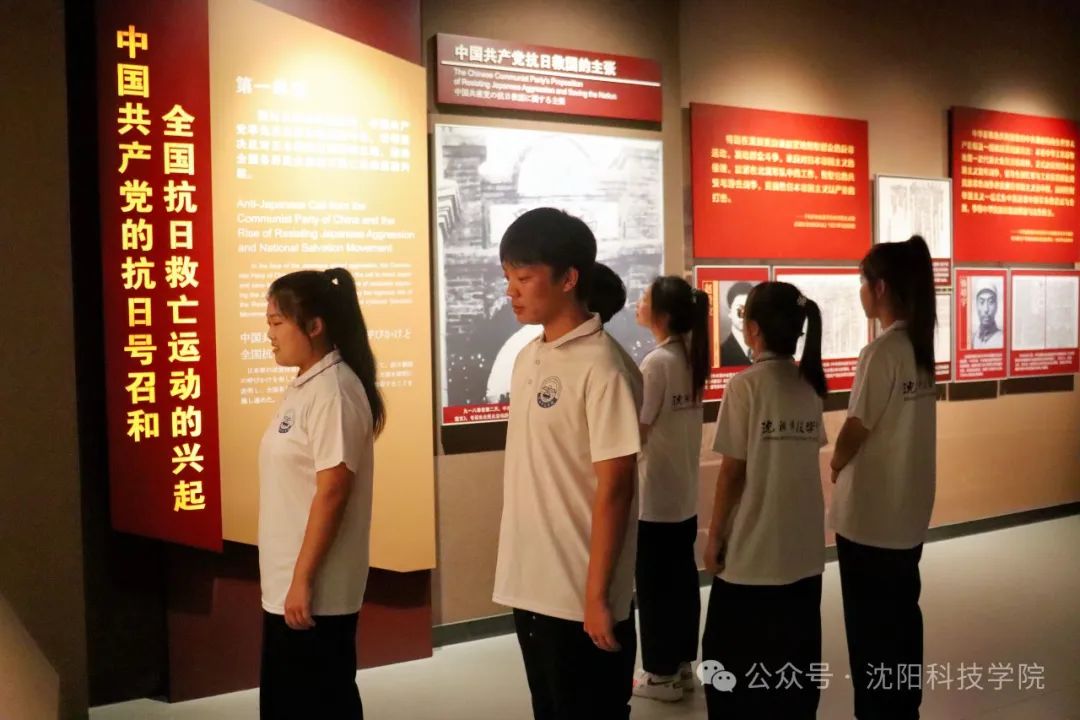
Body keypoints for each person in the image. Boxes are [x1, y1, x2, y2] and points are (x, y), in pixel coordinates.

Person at [492, 208, 642, 720]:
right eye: (508, 277)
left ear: (569, 278)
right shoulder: (527, 357)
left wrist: (597, 597)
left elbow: (616, 487)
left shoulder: (604, 366)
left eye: (524, 277)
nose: (511, 291)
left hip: (580, 593)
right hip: (531, 582)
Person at [258, 268, 385, 720]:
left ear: (314, 326)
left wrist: (303, 579)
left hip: (316, 592)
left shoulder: (334, 391)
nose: (269, 334)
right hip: (290, 586)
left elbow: (333, 491)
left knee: (319, 704)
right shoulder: (307, 385)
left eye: (277, 322)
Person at [702, 281, 828, 719]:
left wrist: (714, 537)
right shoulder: (808, 385)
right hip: (803, 554)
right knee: (793, 672)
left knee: (731, 673)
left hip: (752, 556)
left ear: (752, 329)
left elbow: (732, 473)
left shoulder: (746, 387)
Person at [829, 235, 938, 720]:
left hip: (870, 521)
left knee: (870, 630)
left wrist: (835, 463)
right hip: (906, 513)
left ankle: (878, 711)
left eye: (862, 282)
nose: (860, 292)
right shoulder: (919, 347)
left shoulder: (882, 352)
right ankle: (903, 707)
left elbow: (856, 427)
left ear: (880, 287)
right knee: (902, 619)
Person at [630, 276, 709, 703]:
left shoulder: (656, 363)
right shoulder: (687, 359)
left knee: (656, 587)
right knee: (680, 585)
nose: (638, 302)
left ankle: (660, 674)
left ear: (660, 313)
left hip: (655, 499)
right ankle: (680, 667)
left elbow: (639, 429)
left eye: (644, 298)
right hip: (682, 497)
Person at [720, 281, 753, 366]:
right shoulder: (721, 353)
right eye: (739, 309)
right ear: (730, 312)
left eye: (748, 309)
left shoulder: (764, 349)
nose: (744, 315)